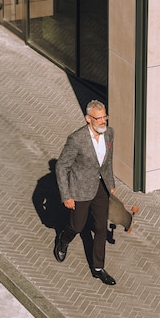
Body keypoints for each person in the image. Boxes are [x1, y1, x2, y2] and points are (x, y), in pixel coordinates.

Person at [54, 100, 116, 286]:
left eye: (105, 116)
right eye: (99, 118)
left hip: (101, 189)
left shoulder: (109, 133)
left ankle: (98, 268)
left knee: (100, 229)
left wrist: (110, 182)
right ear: (88, 119)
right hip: (80, 189)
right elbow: (61, 166)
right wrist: (66, 196)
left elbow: (107, 162)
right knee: (77, 226)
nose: (103, 121)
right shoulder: (76, 139)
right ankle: (63, 240)